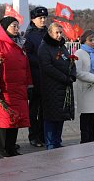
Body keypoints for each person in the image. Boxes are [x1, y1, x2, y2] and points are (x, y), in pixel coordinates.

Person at [0, 16, 32, 157]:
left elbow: (26, 67)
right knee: (4, 121)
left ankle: (11, 148)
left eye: (17, 26)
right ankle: (2, 150)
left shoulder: (20, 44)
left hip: (18, 88)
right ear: (5, 27)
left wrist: (29, 85)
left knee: (16, 120)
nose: (16, 29)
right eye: (13, 26)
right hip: (5, 88)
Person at [38, 22, 76, 150]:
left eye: (61, 32)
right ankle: (50, 143)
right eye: (57, 33)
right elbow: (47, 67)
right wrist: (64, 78)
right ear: (50, 33)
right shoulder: (44, 47)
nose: (59, 35)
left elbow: (70, 60)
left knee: (61, 115)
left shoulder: (62, 46)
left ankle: (57, 141)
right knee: (51, 116)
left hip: (64, 87)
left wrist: (72, 74)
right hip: (51, 87)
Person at [24, 6, 49, 147]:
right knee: (34, 109)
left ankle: (44, 135)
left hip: (47, 77)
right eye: (40, 18)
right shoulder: (29, 35)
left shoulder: (48, 32)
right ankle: (33, 136)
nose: (43, 20)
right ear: (33, 19)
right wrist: (42, 60)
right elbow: (27, 56)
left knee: (45, 109)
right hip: (35, 76)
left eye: (45, 17)